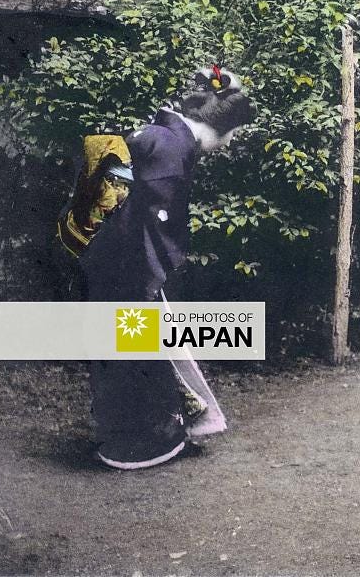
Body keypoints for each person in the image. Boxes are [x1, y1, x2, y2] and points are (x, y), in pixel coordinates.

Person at [79, 65, 254, 469]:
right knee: (138, 349)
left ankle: (130, 434)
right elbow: (151, 225)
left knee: (128, 348)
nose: (231, 143)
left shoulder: (156, 135)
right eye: (236, 133)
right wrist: (153, 276)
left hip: (104, 253)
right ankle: (142, 443)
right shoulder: (172, 154)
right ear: (223, 127)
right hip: (128, 261)